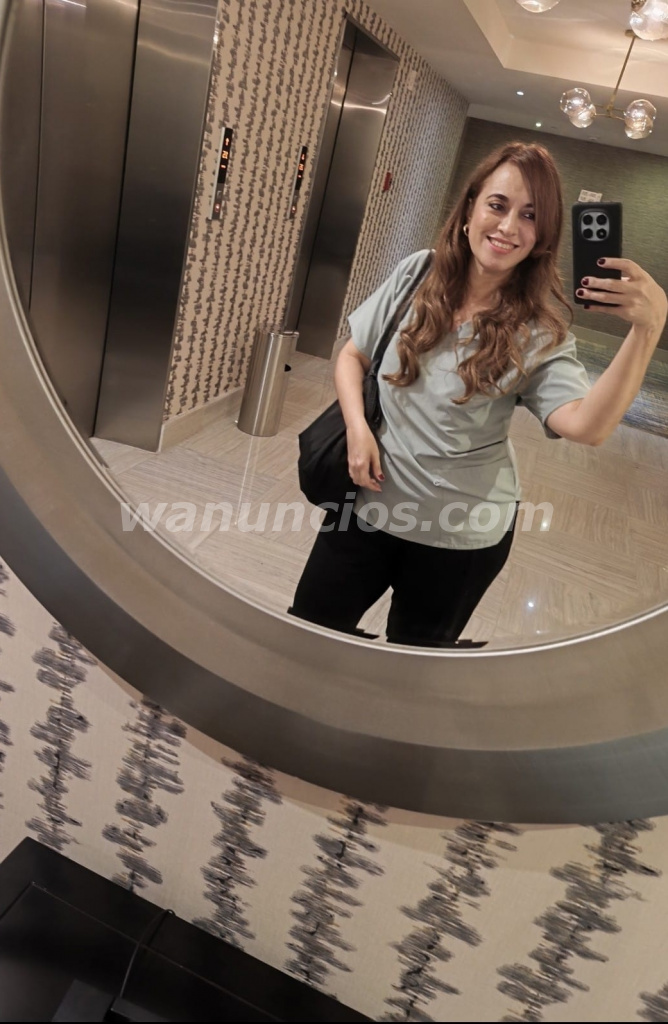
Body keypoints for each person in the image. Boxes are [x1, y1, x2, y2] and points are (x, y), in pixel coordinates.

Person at [290, 141, 667, 647]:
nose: (509, 227)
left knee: (413, 665)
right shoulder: (417, 273)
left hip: (460, 536)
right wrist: (358, 429)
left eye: (529, 216)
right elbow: (352, 356)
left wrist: (647, 329)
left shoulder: (539, 331)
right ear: (469, 209)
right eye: (498, 205)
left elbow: (587, 426)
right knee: (309, 632)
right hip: (364, 509)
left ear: (543, 237)